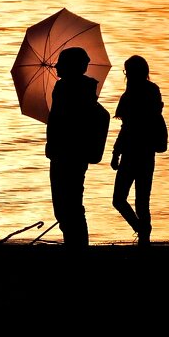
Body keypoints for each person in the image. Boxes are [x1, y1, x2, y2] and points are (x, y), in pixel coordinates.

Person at [45, 46, 100, 251]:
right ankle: (77, 246)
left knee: (64, 205)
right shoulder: (87, 89)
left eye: (61, 62)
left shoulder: (63, 88)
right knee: (74, 202)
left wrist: (51, 146)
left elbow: (57, 121)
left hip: (63, 154)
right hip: (78, 154)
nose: (56, 66)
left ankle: (75, 247)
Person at [110, 55, 164, 246]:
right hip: (147, 153)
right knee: (142, 200)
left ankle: (142, 231)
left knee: (119, 199)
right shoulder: (153, 91)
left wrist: (116, 153)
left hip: (132, 153)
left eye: (126, 71)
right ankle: (144, 237)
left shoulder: (130, 94)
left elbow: (126, 128)